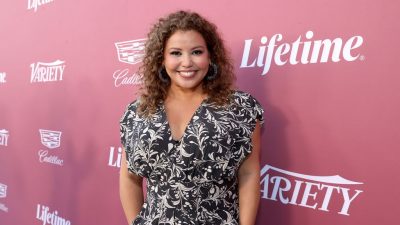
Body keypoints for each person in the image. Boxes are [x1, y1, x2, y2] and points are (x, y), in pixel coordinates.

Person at [119, 10, 264, 225]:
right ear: (161, 59)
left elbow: (249, 174)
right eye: (176, 53)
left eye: (196, 52)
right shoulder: (138, 112)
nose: (187, 62)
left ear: (210, 56)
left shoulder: (240, 109)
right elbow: (130, 178)